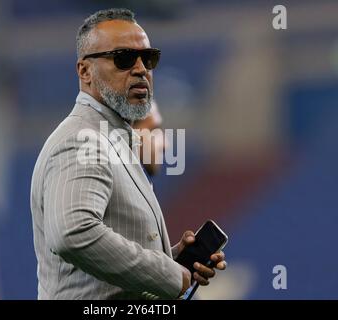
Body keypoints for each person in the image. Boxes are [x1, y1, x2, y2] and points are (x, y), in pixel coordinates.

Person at [30, 8, 226, 300]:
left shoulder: (112, 138)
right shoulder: (82, 140)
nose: (140, 69)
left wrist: (169, 259)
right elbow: (73, 234)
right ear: (85, 71)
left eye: (148, 59)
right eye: (123, 58)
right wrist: (169, 275)